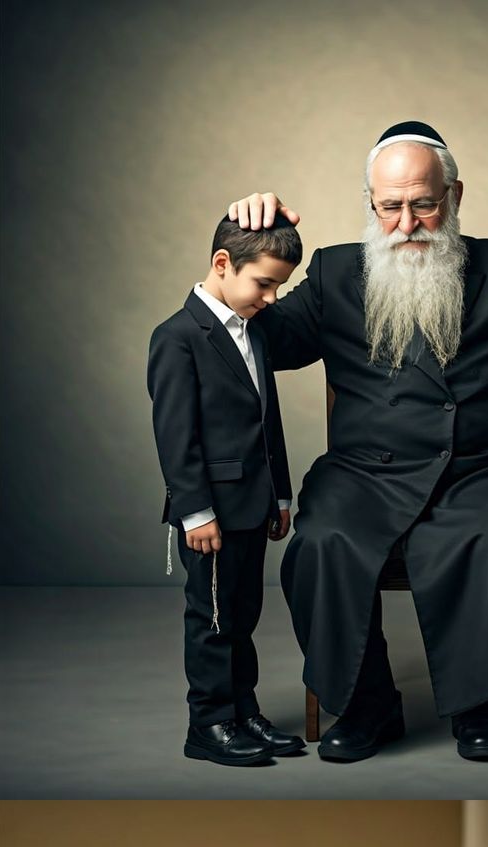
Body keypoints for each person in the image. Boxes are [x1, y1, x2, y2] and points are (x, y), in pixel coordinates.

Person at [226, 126, 488, 763]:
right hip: (362, 475)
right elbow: (251, 335)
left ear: (454, 195)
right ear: (370, 205)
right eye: (389, 206)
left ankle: (475, 705)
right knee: (321, 544)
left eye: (424, 204)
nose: (407, 224)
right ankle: (368, 703)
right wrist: (242, 240)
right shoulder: (331, 271)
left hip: (478, 471)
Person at [147, 216, 306, 767]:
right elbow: (175, 435)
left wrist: (280, 496)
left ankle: (244, 710)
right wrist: (195, 512)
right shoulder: (176, 337)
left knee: (242, 615)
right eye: (263, 284)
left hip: (253, 503)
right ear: (222, 264)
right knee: (212, 618)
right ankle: (209, 723)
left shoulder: (253, 330)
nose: (271, 297)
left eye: (278, 287)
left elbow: (269, 421)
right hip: (210, 511)